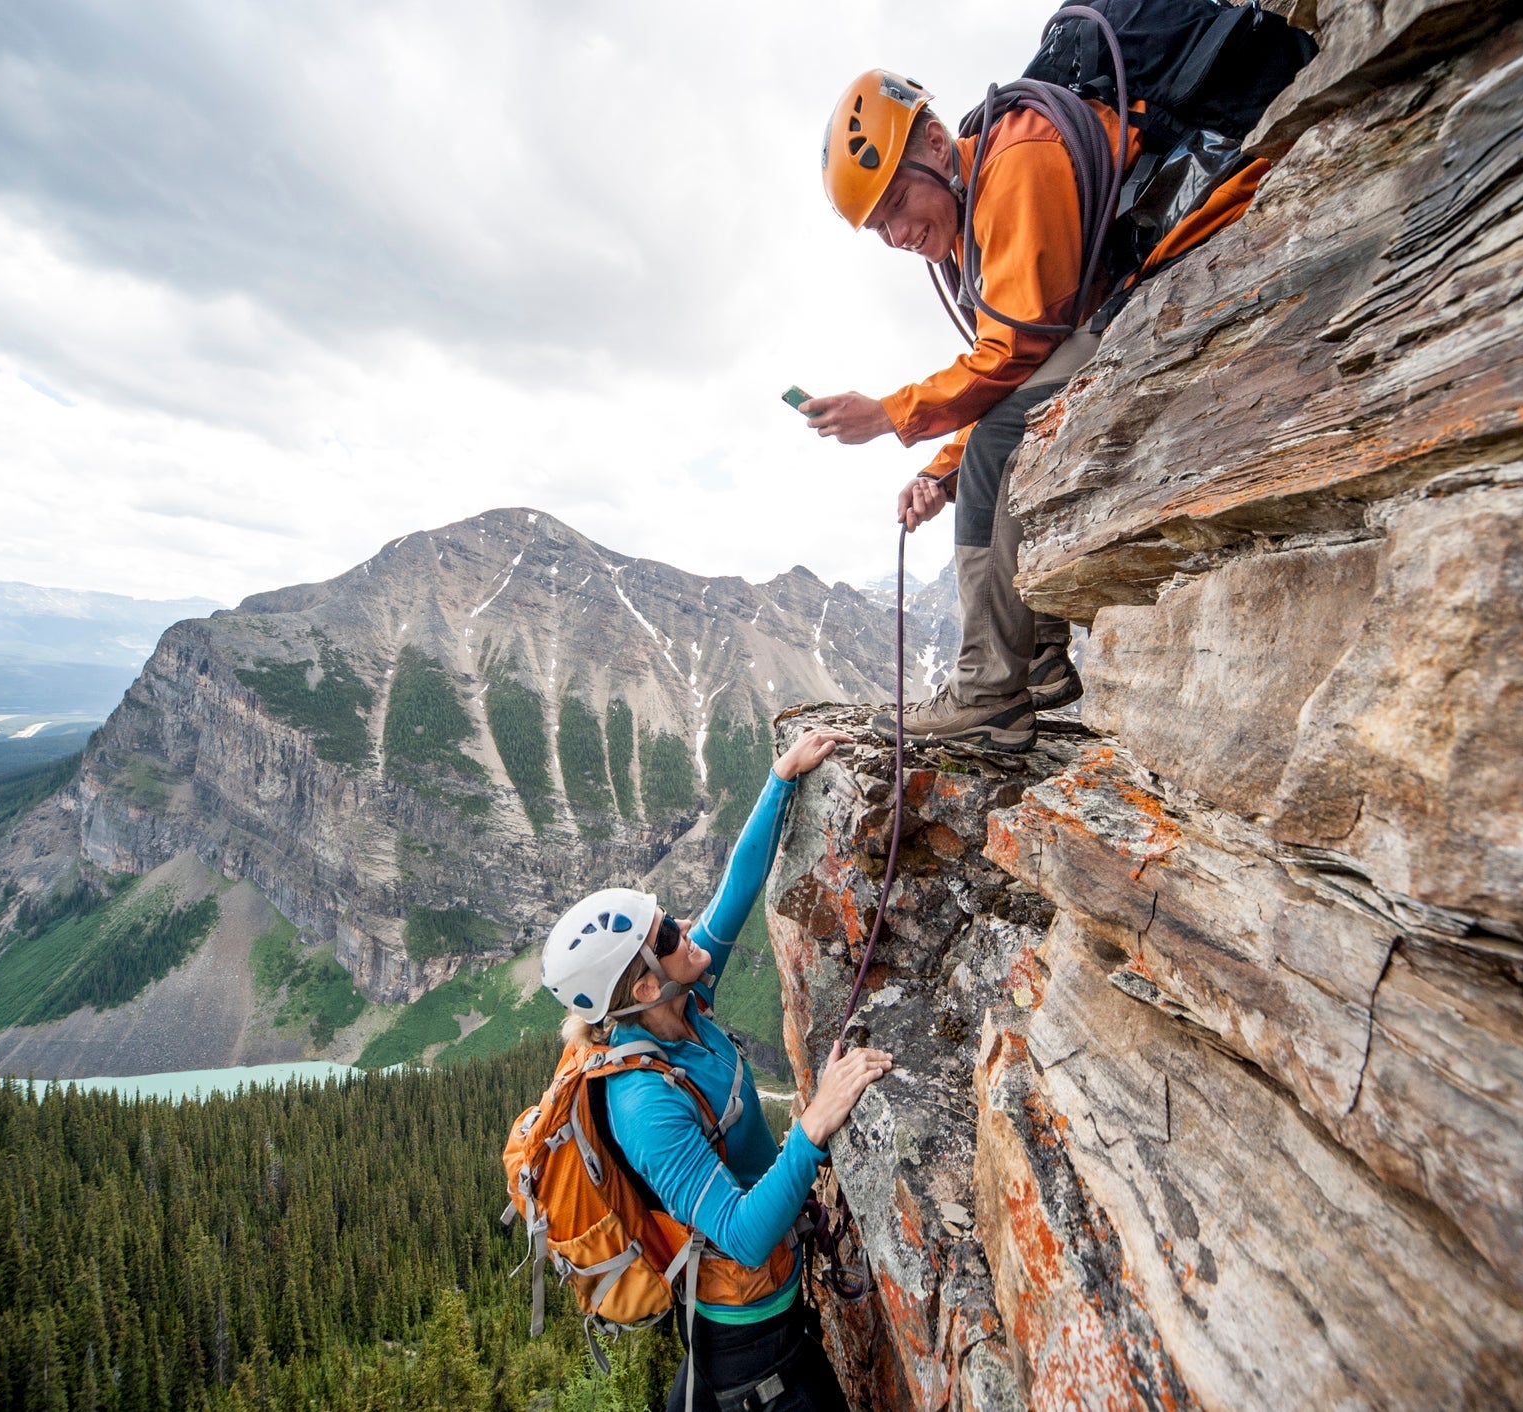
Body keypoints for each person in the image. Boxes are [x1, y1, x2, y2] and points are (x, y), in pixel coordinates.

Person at [802, 69, 1264, 753]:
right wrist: (941, 472)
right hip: (1137, 294)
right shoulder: (973, 207)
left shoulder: (1014, 162)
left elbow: (1017, 348)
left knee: (999, 445)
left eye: (899, 202)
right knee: (995, 441)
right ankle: (1040, 657)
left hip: (1205, 246)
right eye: (880, 227)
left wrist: (892, 416)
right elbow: (1017, 363)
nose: (898, 233)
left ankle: (989, 695)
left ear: (936, 142)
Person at [541, 724, 889, 1411]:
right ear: (642, 988)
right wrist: (812, 1127)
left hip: (766, 1318)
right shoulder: (644, 1105)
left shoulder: (683, 998)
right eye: (666, 936)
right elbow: (742, 1234)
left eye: (665, 918)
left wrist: (782, 777)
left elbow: (737, 889)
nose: (684, 930)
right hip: (752, 1350)